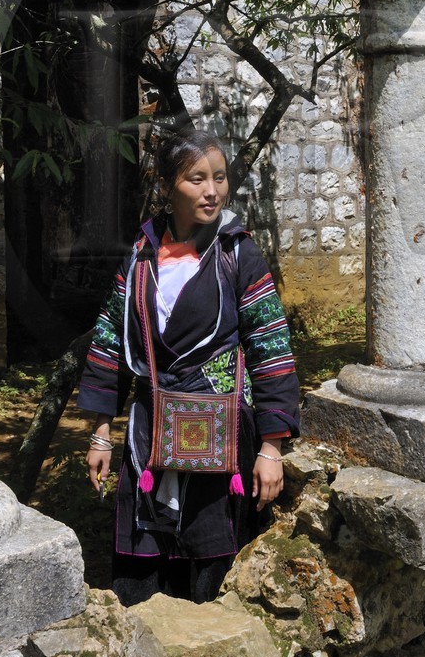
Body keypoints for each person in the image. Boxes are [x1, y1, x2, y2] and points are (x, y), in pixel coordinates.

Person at [77, 130, 300, 605]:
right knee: (145, 552)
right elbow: (110, 339)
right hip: (151, 430)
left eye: (219, 178)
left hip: (221, 436)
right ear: (167, 185)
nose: (211, 190)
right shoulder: (140, 256)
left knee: (211, 552)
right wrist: (100, 431)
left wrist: (272, 448)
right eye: (196, 178)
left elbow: (270, 349)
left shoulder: (237, 253)